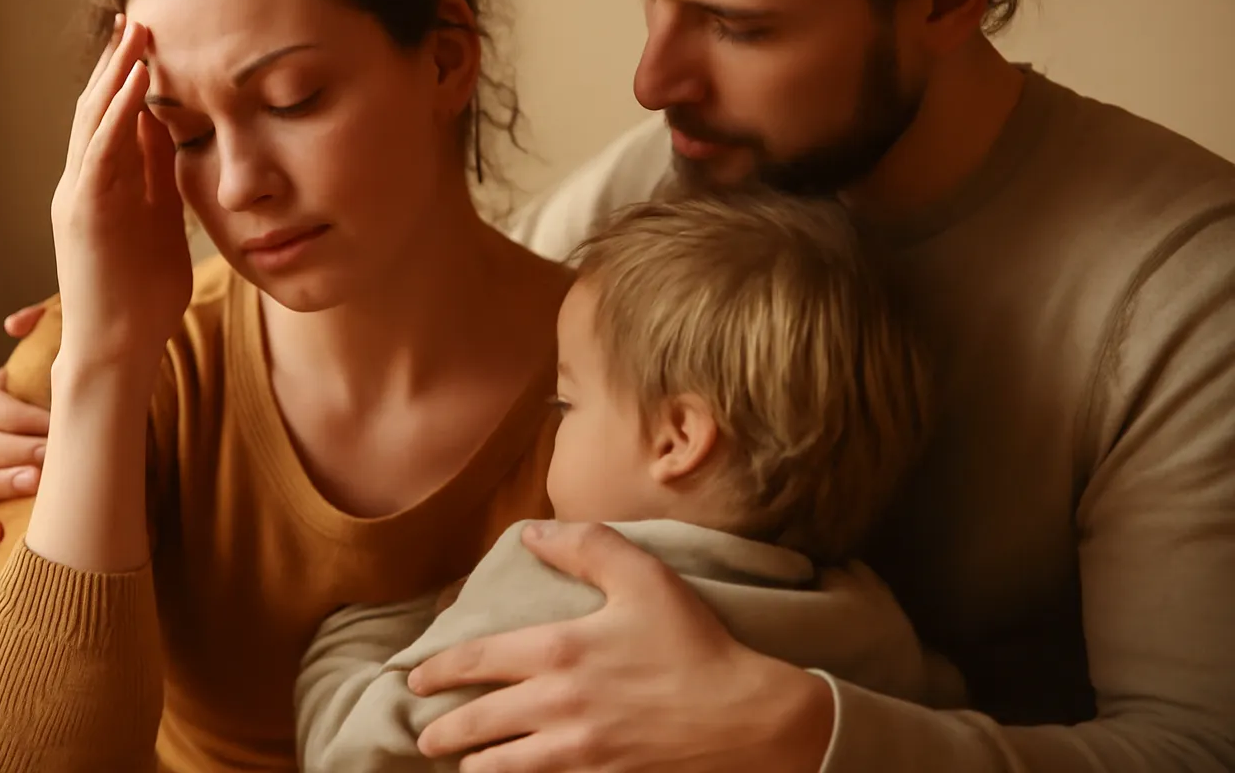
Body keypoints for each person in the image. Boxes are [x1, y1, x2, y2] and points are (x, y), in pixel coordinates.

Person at [0, 0, 1235, 770]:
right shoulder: (661, 191)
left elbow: (1198, 747)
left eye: (735, 22)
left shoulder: (1183, 288)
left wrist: (793, 730)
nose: (651, 78)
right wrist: (91, 382)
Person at [0, 0, 574, 773]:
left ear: (445, 59)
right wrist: (103, 369)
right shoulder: (112, 360)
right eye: (183, 132)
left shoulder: (627, 370)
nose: (240, 185)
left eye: (294, 98)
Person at [296, 193, 969, 772]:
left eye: (567, 404)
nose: (550, 428)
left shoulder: (559, 590)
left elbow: (357, 753)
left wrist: (354, 636)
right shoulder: (873, 625)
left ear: (678, 439)